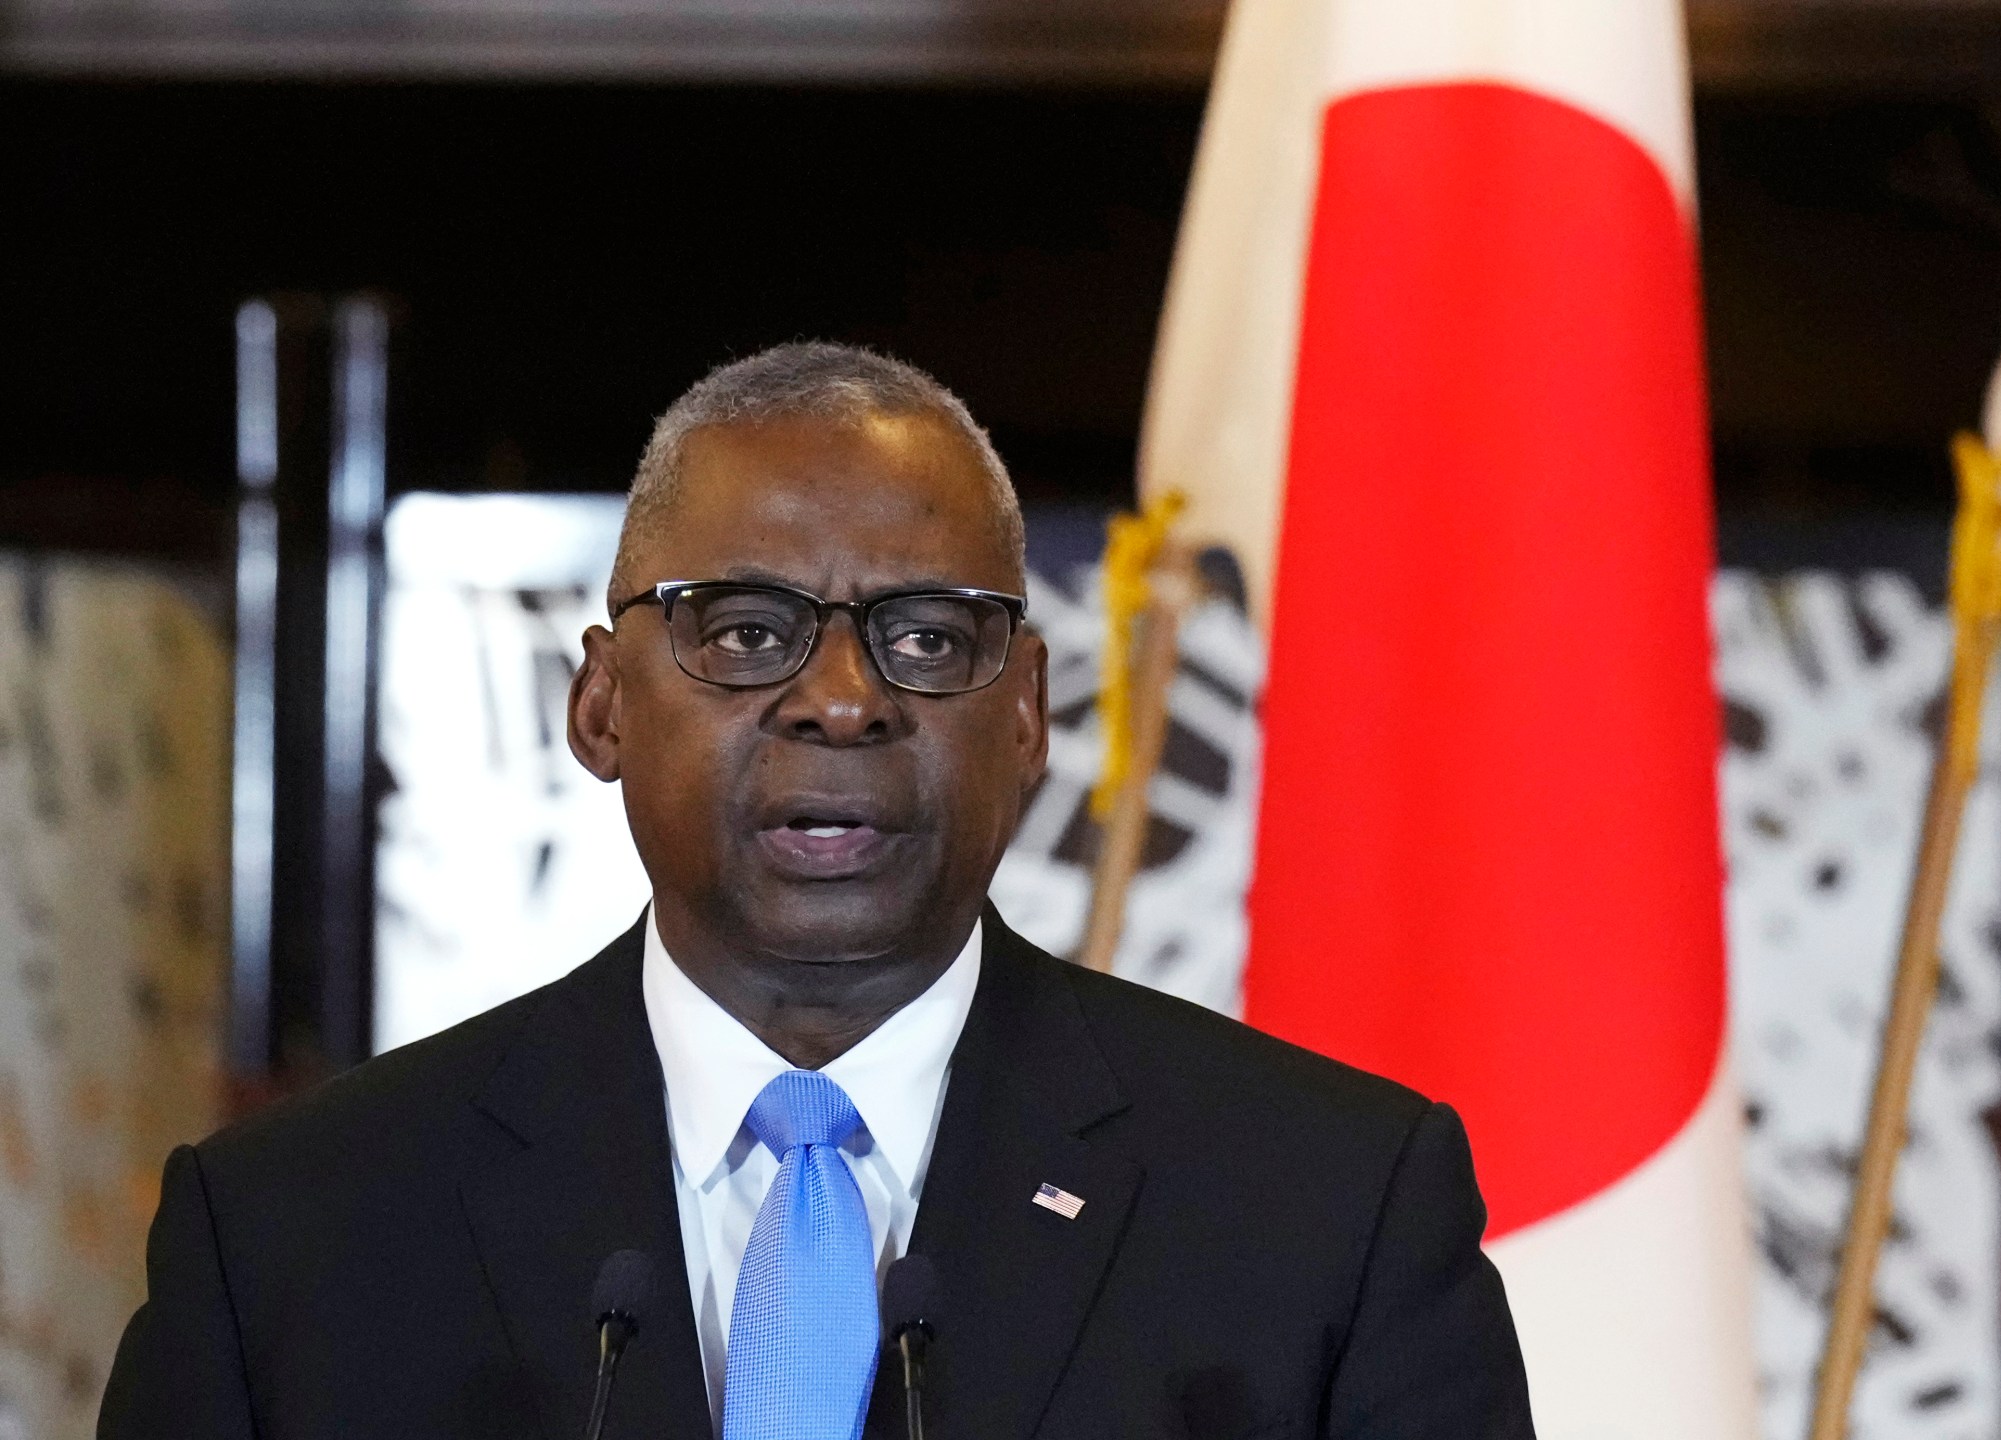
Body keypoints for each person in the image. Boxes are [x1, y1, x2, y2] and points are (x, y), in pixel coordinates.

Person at [98, 342, 1534, 1439]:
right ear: (600, 704)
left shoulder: (1330, 1211)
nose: (842, 703)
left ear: (1027, 711)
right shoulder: (293, 1236)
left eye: (925, 637)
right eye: (745, 630)